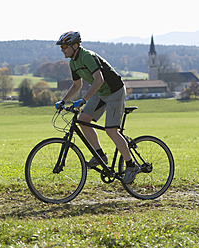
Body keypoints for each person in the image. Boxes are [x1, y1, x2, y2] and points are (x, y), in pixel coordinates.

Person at [54, 31, 138, 184]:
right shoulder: (73, 62)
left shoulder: (87, 56)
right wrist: (63, 101)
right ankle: (100, 156)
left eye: (65, 46)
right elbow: (77, 85)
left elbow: (99, 79)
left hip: (114, 90)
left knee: (111, 130)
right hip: (101, 92)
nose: (63, 50)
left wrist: (84, 99)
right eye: (61, 48)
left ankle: (131, 166)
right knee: (83, 121)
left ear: (75, 45)